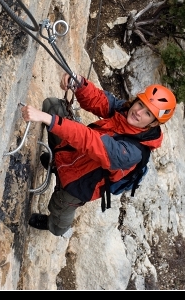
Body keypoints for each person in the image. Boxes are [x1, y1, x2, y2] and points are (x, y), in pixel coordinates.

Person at [21, 73, 176, 236]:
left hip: (82, 181)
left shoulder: (133, 152)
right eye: (140, 104)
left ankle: (55, 227)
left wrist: (49, 120)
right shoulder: (125, 111)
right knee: (53, 106)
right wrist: (79, 83)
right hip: (74, 153)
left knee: (60, 206)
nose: (138, 112)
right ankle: (57, 164)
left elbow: (91, 141)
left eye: (148, 113)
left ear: (153, 123)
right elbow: (100, 100)